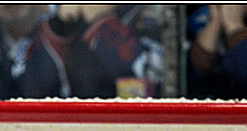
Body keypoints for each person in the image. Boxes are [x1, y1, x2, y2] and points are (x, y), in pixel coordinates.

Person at [11, 5, 160, 99]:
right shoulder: (65, 13)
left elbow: (157, 77)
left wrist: (100, 23)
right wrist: (60, 27)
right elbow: (26, 91)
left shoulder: (155, 12)